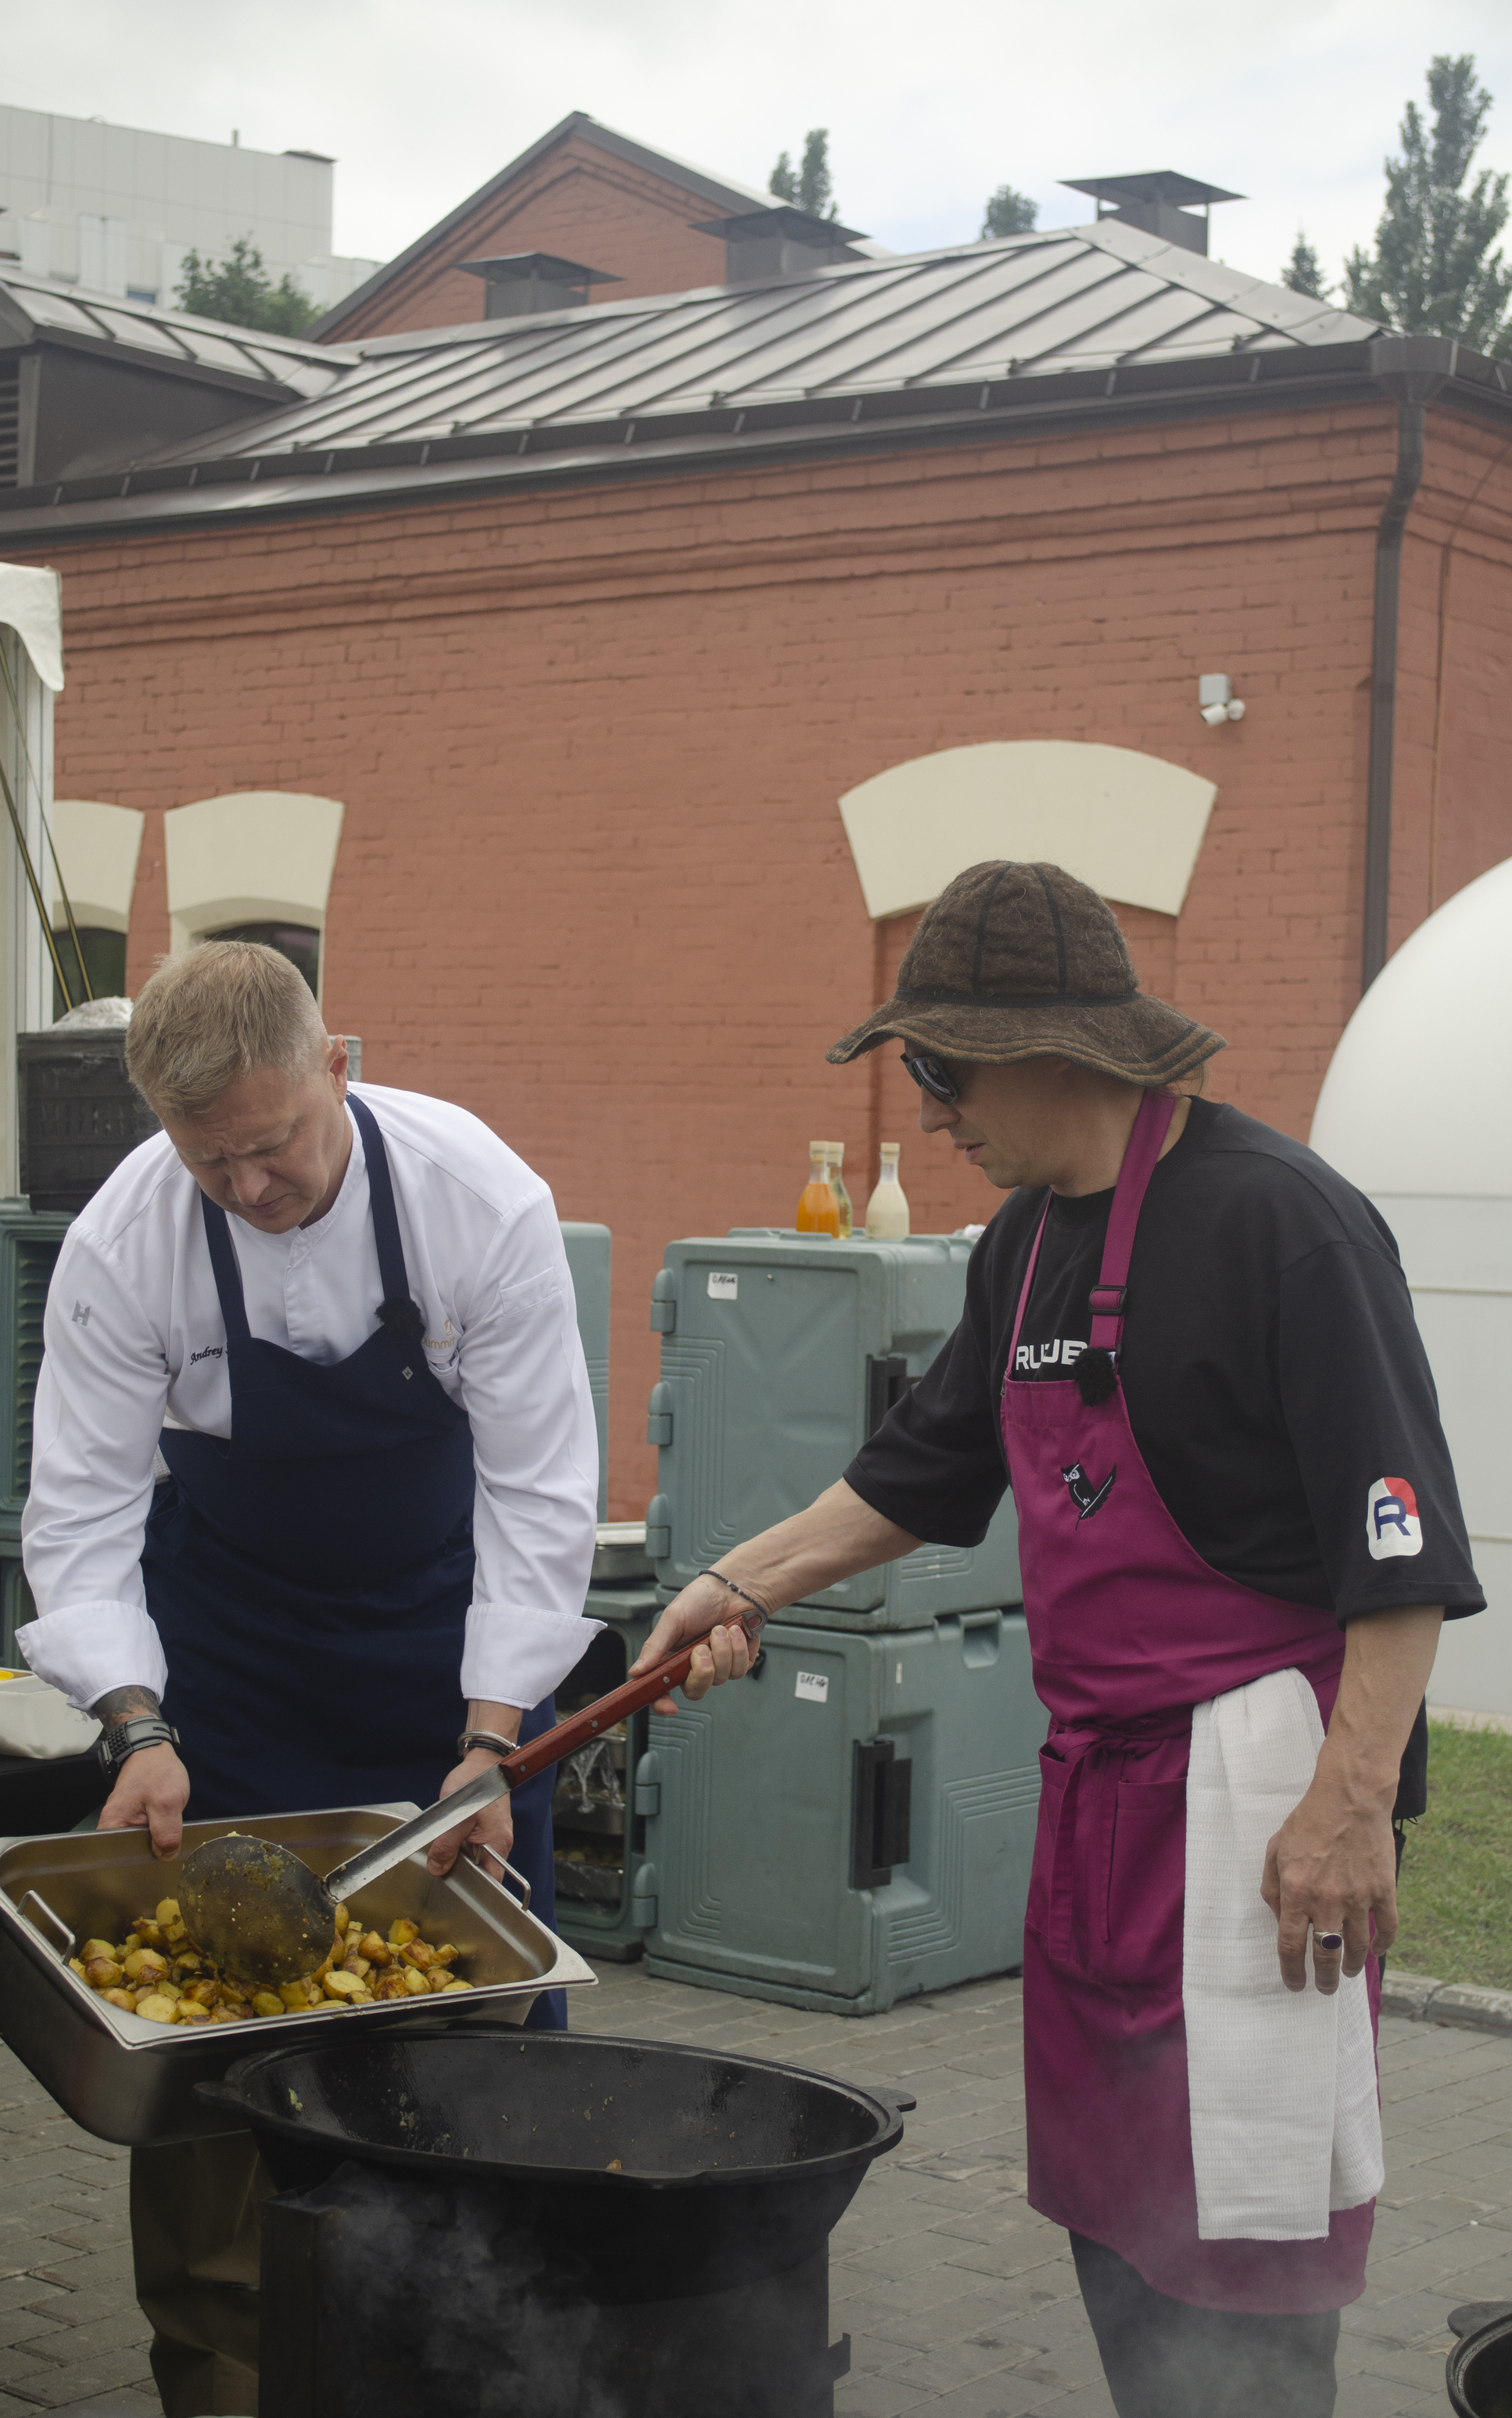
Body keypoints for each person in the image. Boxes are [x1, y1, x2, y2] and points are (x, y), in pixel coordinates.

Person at [635, 861, 1483, 2418]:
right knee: (1115, 2230)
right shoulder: (1018, 1246)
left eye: (940, 1069)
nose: (932, 1108)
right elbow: (915, 1476)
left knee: (1238, 2265)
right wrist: (736, 1582)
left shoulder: (1284, 1226)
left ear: (1049, 1050)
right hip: (1097, 1815)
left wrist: (1348, 1807)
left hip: (1257, 1821)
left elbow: (1400, 1551)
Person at [20, 941, 599, 2418]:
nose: (247, 1189)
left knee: (472, 2045)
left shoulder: (481, 1201)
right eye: (207, 1159)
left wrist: (490, 1736)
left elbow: (539, 1495)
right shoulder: (124, 1241)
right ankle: (229, 2376)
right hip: (234, 1680)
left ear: (340, 1061)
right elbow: (80, 1519)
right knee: (219, 2055)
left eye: (271, 1147)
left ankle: (486, 2371)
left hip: (443, 1676)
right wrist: (135, 1723)